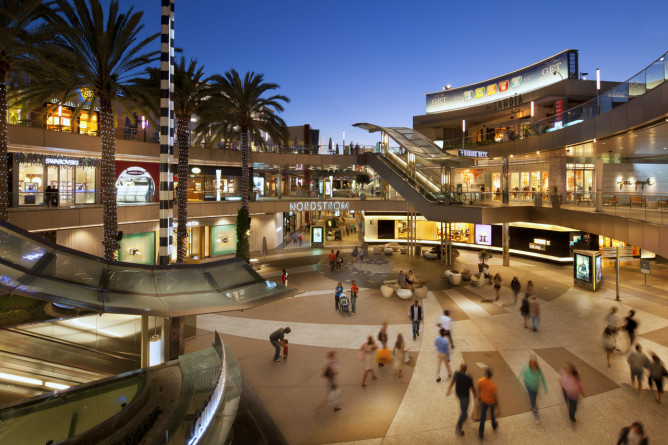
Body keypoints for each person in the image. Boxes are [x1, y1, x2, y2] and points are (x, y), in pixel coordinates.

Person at [447, 362, 477, 436]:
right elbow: (473, 389)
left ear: (460, 367)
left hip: (458, 394)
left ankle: (464, 415)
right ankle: (459, 427)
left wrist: (449, 389)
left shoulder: (456, 374)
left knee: (463, 406)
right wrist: (475, 396)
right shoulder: (469, 378)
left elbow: (452, 382)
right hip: (465, 396)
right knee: (464, 410)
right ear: (466, 369)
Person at [523, 355, 547, 423]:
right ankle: (536, 415)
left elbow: (543, 379)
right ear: (530, 363)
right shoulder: (527, 370)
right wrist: (524, 387)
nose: (533, 364)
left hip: (535, 388)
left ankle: (532, 405)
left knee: (533, 398)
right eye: (532, 363)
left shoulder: (538, 371)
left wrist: (545, 387)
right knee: (533, 401)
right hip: (529, 388)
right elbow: (525, 379)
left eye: (534, 363)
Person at [477, 368, 499, 439]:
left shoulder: (481, 381)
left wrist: (479, 397)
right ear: (491, 376)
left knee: (483, 416)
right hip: (491, 402)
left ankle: (481, 432)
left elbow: (479, 389)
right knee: (492, 414)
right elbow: (494, 397)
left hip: (483, 401)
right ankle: (494, 425)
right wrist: (497, 406)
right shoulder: (493, 385)